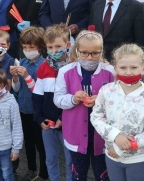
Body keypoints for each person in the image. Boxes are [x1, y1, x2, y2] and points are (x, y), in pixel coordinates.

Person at [90, 44, 144, 181]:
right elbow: (96, 116)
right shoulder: (106, 91)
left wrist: (124, 145)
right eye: (123, 68)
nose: (128, 72)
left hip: (139, 160)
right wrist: (115, 135)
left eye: (134, 68)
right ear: (115, 68)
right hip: (112, 157)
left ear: (143, 69)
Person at [54, 28, 114, 181]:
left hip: (102, 136)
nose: (89, 57)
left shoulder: (111, 71)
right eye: (84, 53)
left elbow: (118, 102)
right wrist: (73, 99)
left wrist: (101, 100)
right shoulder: (65, 71)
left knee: (103, 175)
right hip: (76, 134)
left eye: (95, 53)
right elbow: (58, 100)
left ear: (101, 51)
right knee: (78, 174)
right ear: (77, 50)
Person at [33, 24, 73, 181]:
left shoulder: (73, 67)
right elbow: (37, 96)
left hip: (68, 124)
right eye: (50, 47)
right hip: (47, 124)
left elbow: (73, 99)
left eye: (58, 46)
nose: (54, 50)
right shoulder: (43, 68)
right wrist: (39, 118)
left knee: (70, 160)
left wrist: (63, 118)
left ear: (67, 45)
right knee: (50, 158)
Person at [10, 27, 48, 181]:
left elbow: (38, 91)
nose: (27, 50)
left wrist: (26, 76)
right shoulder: (23, 61)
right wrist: (15, 78)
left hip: (37, 112)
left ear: (40, 47)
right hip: (23, 109)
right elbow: (17, 89)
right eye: (25, 47)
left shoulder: (43, 65)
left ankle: (44, 173)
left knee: (41, 144)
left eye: (31, 47)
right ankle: (32, 169)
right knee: (28, 143)